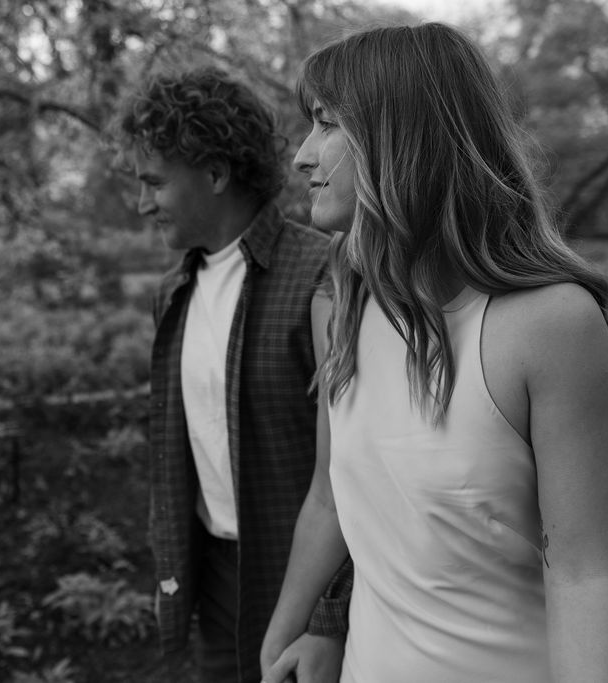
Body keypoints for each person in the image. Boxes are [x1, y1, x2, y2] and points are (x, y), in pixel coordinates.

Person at [261, 23, 608, 683]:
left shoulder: (548, 325)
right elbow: (328, 497)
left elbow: (585, 573)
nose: (300, 155)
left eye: (325, 124)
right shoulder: (342, 304)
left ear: (401, 137)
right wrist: (285, 633)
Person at [114, 67, 351, 683]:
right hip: (216, 580)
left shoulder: (325, 277)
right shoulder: (173, 293)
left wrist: (330, 617)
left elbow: (361, 470)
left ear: (216, 174)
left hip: (306, 581)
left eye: (154, 183)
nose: (143, 205)